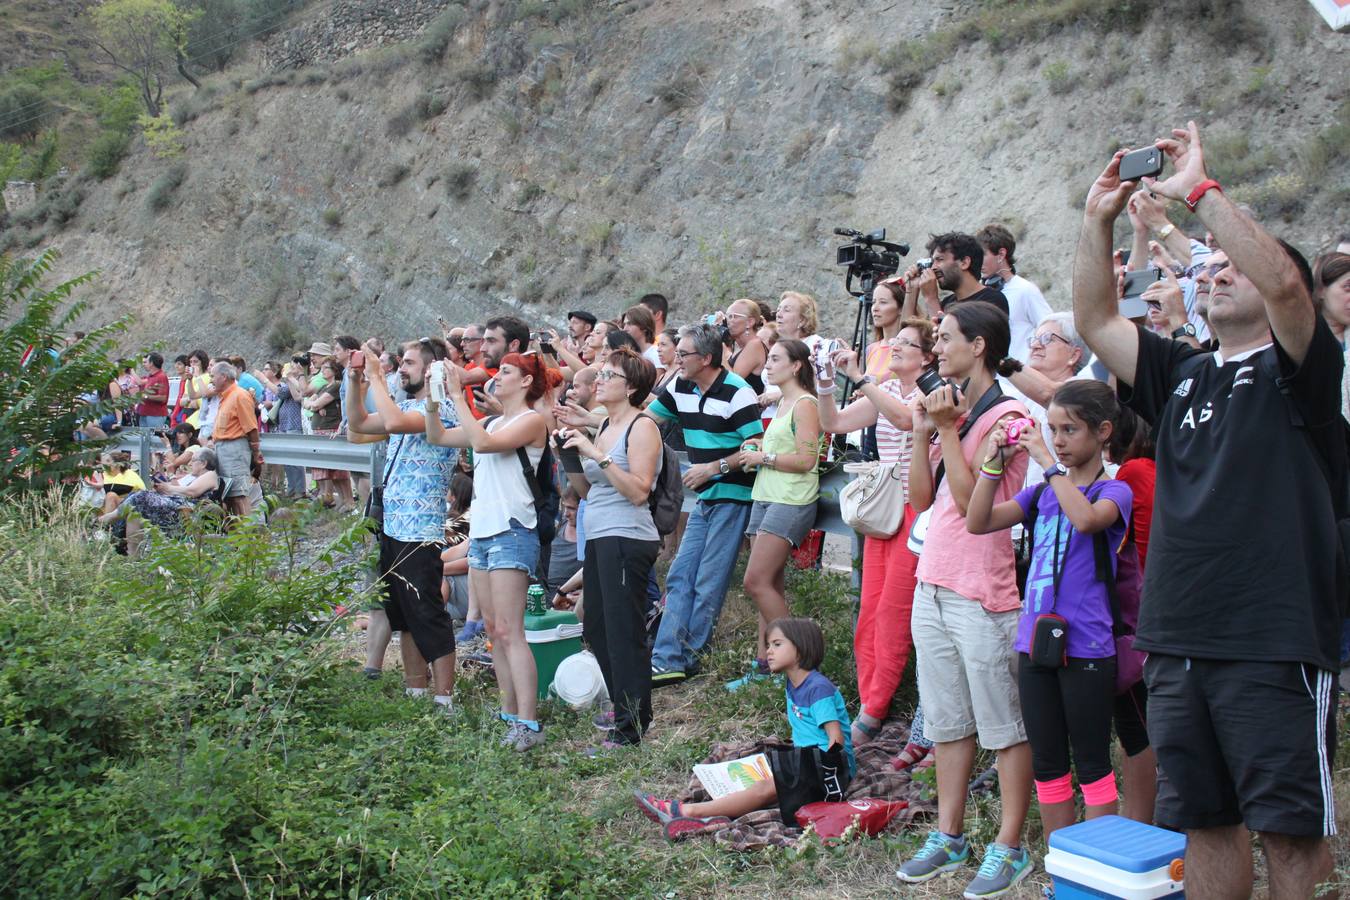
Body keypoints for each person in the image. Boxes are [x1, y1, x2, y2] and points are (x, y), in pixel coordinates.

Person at [1072, 124, 1342, 897]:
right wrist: (1095, 221)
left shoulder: (1303, 370)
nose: (1218, 273)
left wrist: (1200, 190)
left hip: (1272, 636)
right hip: (1177, 633)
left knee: (1288, 833)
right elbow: (1094, 321)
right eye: (1211, 266)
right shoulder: (1183, 372)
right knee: (1206, 826)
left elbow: (1289, 289)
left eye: (1235, 265)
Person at [898, 302, 1033, 895]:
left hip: (983, 589)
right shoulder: (950, 409)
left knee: (1004, 724)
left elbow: (970, 497)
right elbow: (924, 500)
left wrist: (950, 429)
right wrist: (927, 428)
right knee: (948, 721)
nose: (937, 351)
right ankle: (949, 835)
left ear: (979, 345)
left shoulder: (1007, 416)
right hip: (933, 579)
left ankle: (1010, 845)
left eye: (947, 339)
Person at [966, 381, 1132, 839]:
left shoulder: (1113, 491)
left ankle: (1095, 861)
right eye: (1051, 430)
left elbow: (1087, 520)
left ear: (1102, 432)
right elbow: (978, 521)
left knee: (1093, 762)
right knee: (1049, 762)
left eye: (1069, 430)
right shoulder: (1040, 497)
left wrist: (1046, 462)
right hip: (1035, 641)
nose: (1057, 440)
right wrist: (992, 465)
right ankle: (1064, 860)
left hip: (1087, 646)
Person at [427, 352, 557, 751]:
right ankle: (509, 714)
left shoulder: (533, 421)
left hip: (513, 531)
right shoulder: (493, 420)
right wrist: (435, 404)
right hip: (483, 533)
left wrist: (456, 396)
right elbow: (438, 437)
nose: (496, 377)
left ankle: (529, 723)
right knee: (495, 632)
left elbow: (481, 443)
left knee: (511, 631)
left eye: (505, 371)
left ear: (525, 382)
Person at [819, 318, 935, 747]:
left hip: (916, 510)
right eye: (896, 341)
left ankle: (875, 708)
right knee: (869, 606)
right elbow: (834, 422)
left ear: (927, 356)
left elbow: (907, 421)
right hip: (886, 508)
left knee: (893, 611)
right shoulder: (883, 389)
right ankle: (869, 698)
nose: (898, 347)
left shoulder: (932, 392)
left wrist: (860, 377)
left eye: (908, 343)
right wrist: (828, 383)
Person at [633, 617, 853, 840]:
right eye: (768, 645)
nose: (769, 651)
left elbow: (836, 739)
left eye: (777, 644)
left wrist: (811, 777)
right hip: (805, 761)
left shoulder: (817, 688)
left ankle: (686, 811)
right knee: (760, 782)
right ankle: (710, 820)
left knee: (765, 789)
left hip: (827, 771)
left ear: (801, 648)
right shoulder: (793, 683)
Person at [645, 324, 763, 686]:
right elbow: (647, 420)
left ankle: (687, 656)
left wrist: (715, 467)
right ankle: (667, 658)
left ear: (707, 359)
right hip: (708, 497)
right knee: (681, 573)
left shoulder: (738, 393)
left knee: (708, 578)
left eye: (683, 354)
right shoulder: (680, 385)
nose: (675, 359)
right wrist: (596, 423)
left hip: (734, 495)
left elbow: (755, 448)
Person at [557, 346, 663, 747]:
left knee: (623, 632)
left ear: (631, 386)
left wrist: (596, 454)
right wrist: (566, 455)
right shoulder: (603, 427)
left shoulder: (642, 427)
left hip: (627, 536)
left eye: (607, 376)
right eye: (599, 374)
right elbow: (586, 492)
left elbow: (638, 491)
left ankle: (631, 725)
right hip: (600, 533)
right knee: (597, 626)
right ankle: (625, 710)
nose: (597, 381)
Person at [347, 339, 461, 711]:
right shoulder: (407, 405)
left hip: (421, 529)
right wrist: (355, 382)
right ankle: (415, 690)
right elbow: (357, 428)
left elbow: (394, 422)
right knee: (404, 614)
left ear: (429, 369)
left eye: (408, 363)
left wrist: (379, 376)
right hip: (394, 527)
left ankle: (445, 698)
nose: (401, 369)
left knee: (427, 612)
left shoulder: (440, 407)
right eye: (400, 363)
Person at [725, 340, 820, 690]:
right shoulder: (782, 402)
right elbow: (780, 450)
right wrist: (757, 448)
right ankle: (765, 667)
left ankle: (799, 660)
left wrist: (763, 458)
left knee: (755, 581)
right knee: (770, 585)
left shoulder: (806, 404)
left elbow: (807, 460)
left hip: (790, 500)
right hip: (765, 495)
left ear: (797, 366)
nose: (767, 365)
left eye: (776, 359)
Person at [1104, 405, 1157, 824]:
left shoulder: (1132, 473)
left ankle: (1140, 819)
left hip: (1141, 614)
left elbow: (1132, 548)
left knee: (1137, 726)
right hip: (1155, 607)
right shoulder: (1153, 468)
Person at [99, 449, 220, 555]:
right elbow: (178, 488)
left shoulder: (210, 474)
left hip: (186, 513)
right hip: (177, 507)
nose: (189, 463)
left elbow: (192, 492)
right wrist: (163, 487)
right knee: (135, 509)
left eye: (193, 460)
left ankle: (107, 520)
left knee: (140, 496)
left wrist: (168, 488)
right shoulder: (193, 477)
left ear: (204, 463)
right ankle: (131, 556)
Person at [977, 224, 1053, 364]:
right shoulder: (982, 293)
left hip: (1021, 376)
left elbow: (1050, 331)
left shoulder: (1025, 290)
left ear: (1001, 254)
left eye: (982, 255)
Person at [902, 232, 1010, 320]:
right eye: (932, 261)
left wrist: (931, 299)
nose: (933, 267)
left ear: (964, 263)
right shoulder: (947, 303)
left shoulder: (992, 301)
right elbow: (904, 340)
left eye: (939, 260)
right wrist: (912, 289)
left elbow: (948, 343)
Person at [208, 361, 261, 516]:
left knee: (239, 494)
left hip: (235, 449)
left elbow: (251, 427)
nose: (210, 380)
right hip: (223, 449)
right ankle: (236, 532)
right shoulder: (226, 397)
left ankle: (248, 533)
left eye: (212, 376)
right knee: (229, 495)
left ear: (223, 377)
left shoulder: (240, 395)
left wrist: (256, 452)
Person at [304, 358, 355, 510]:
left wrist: (315, 406)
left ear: (334, 370)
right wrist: (314, 406)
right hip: (321, 430)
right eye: (323, 368)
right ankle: (343, 501)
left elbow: (315, 404)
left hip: (331, 429)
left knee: (339, 470)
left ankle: (349, 500)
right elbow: (306, 401)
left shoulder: (336, 385)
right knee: (331, 471)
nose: (323, 370)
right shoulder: (324, 387)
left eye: (327, 368)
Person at [724, 299, 768, 394]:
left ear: (750, 322)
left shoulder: (754, 345)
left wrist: (721, 355)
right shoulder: (739, 346)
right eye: (728, 316)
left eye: (734, 316)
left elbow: (732, 382)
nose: (729, 321)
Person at [622, 304, 663, 372]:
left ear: (644, 326)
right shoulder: (628, 355)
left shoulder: (656, 354)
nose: (624, 329)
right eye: (624, 325)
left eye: (630, 324)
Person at [137, 352, 170, 429]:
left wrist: (145, 396)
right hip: (144, 413)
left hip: (155, 415)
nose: (144, 364)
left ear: (151, 363)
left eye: (146, 362)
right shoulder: (151, 376)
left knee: (154, 438)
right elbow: (140, 382)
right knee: (145, 439)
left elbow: (162, 398)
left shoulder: (161, 376)